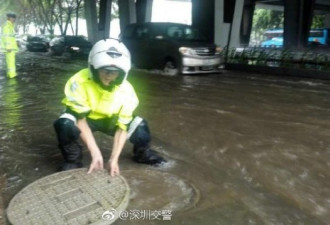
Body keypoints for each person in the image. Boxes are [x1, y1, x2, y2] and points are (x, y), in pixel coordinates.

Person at [53, 39, 166, 176]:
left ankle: (142, 153)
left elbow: (122, 127)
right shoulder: (78, 82)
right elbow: (80, 119)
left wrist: (114, 159)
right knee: (64, 124)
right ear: (94, 68)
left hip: (111, 121)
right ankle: (73, 160)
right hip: (86, 118)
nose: (109, 76)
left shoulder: (127, 91)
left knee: (141, 126)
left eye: (114, 72)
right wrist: (95, 152)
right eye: (105, 70)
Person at [1, 13, 18, 78]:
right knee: (11, 62)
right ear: (10, 18)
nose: (14, 19)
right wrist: (8, 47)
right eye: (13, 18)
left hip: (11, 48)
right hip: (10, 48)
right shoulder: (8, 26)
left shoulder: (10, 26)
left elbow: (11, 37)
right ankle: (12, 75)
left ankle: (10, 74)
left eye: (14, 18)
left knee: (10, 61)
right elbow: (7, 37)